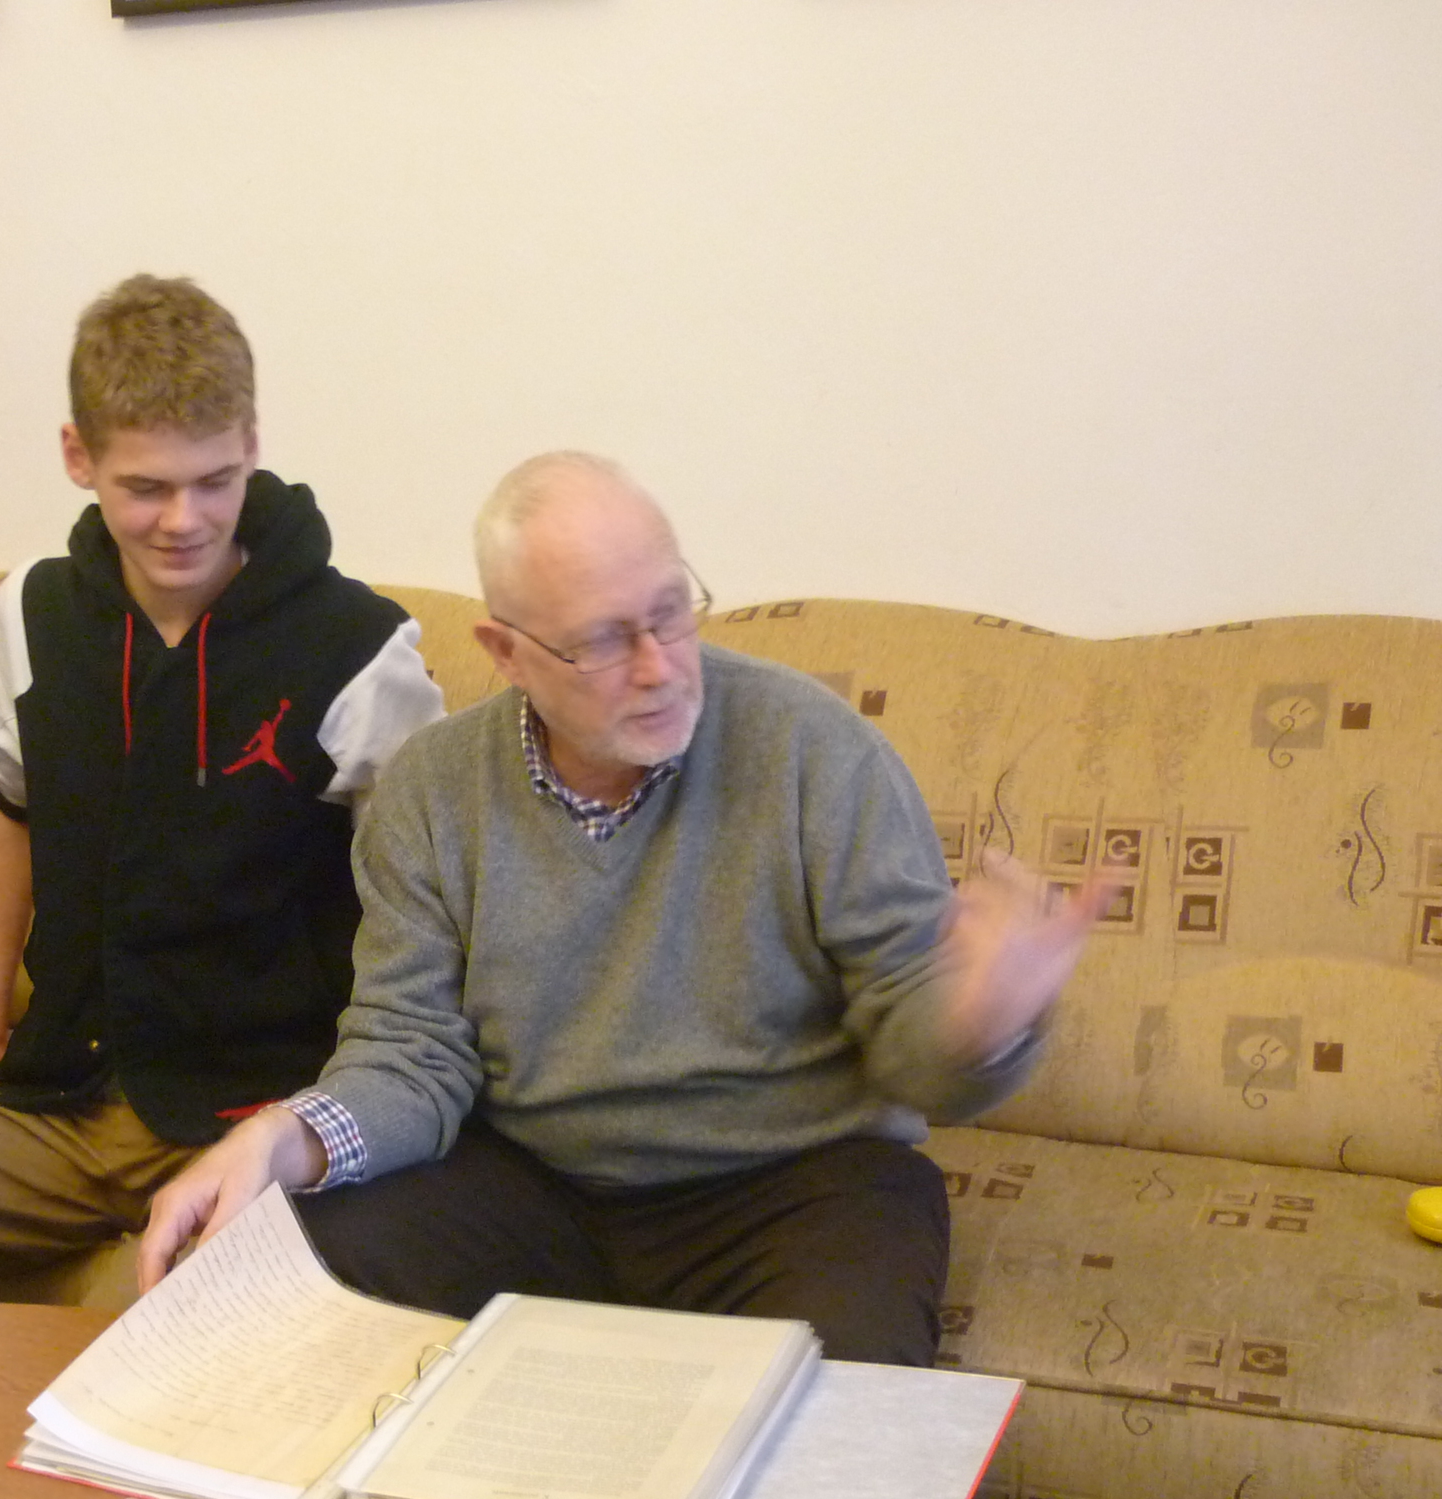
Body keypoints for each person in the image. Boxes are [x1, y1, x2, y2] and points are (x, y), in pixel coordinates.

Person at [141, 451, 1106, 1367]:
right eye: (605, 639)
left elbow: (916, 1049)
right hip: (534, 1185)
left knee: (841, 1405)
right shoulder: (432, 790)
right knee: (292, 1289)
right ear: (507, 653)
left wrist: (977, 1026)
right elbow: (411, 1053)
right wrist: (288, 1135)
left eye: (671, 613)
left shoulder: (814, 751)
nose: (659, 667)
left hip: (797, 1185)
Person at [0, 275, 445, 1304]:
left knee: (139, 1317)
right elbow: (14, 815)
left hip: (252, 1110)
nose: (183, 520)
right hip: (62, 1098)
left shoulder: (361, 651)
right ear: (79, 456)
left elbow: (422, 915)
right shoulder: (31, 615)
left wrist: (330, 1116)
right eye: (145, 488)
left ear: (253, 444)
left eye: (214, 481)